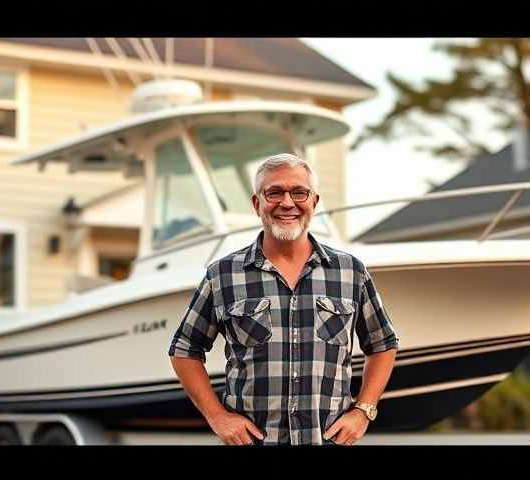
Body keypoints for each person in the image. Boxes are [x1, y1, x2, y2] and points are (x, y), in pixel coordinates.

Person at [168, 153, 398, 446]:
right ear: (257, 204)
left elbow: (382, 344)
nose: (287, 203)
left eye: (299, 192)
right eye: (274, 192)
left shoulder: (350, 271)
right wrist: (217, 416)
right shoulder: (222, 275)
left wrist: (363, 411)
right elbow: (185, 349)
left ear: (314, 202)